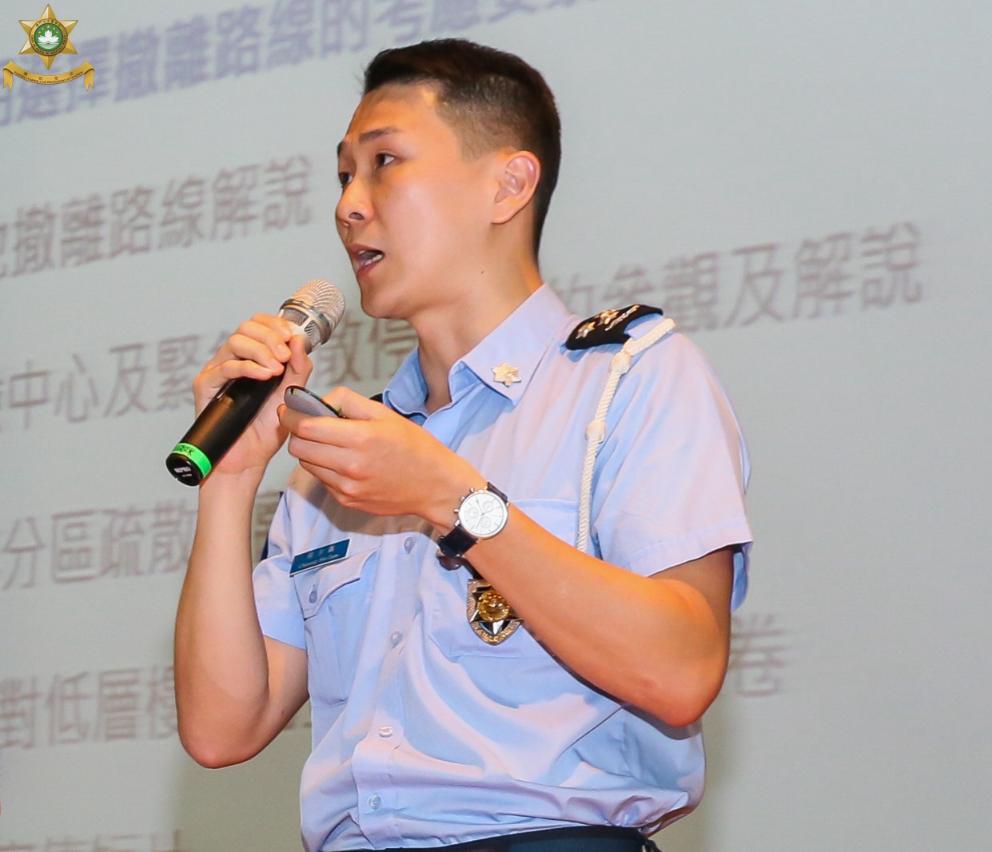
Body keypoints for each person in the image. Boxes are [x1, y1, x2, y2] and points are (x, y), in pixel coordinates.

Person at [174, 38, 752, 852]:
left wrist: (454, 502)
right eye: (343, 174)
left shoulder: (626, 381)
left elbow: (681, 670)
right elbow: (220, 728)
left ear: (508, 184)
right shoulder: (345, 453)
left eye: (385, 163)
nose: (350, 205)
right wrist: (230, 483)